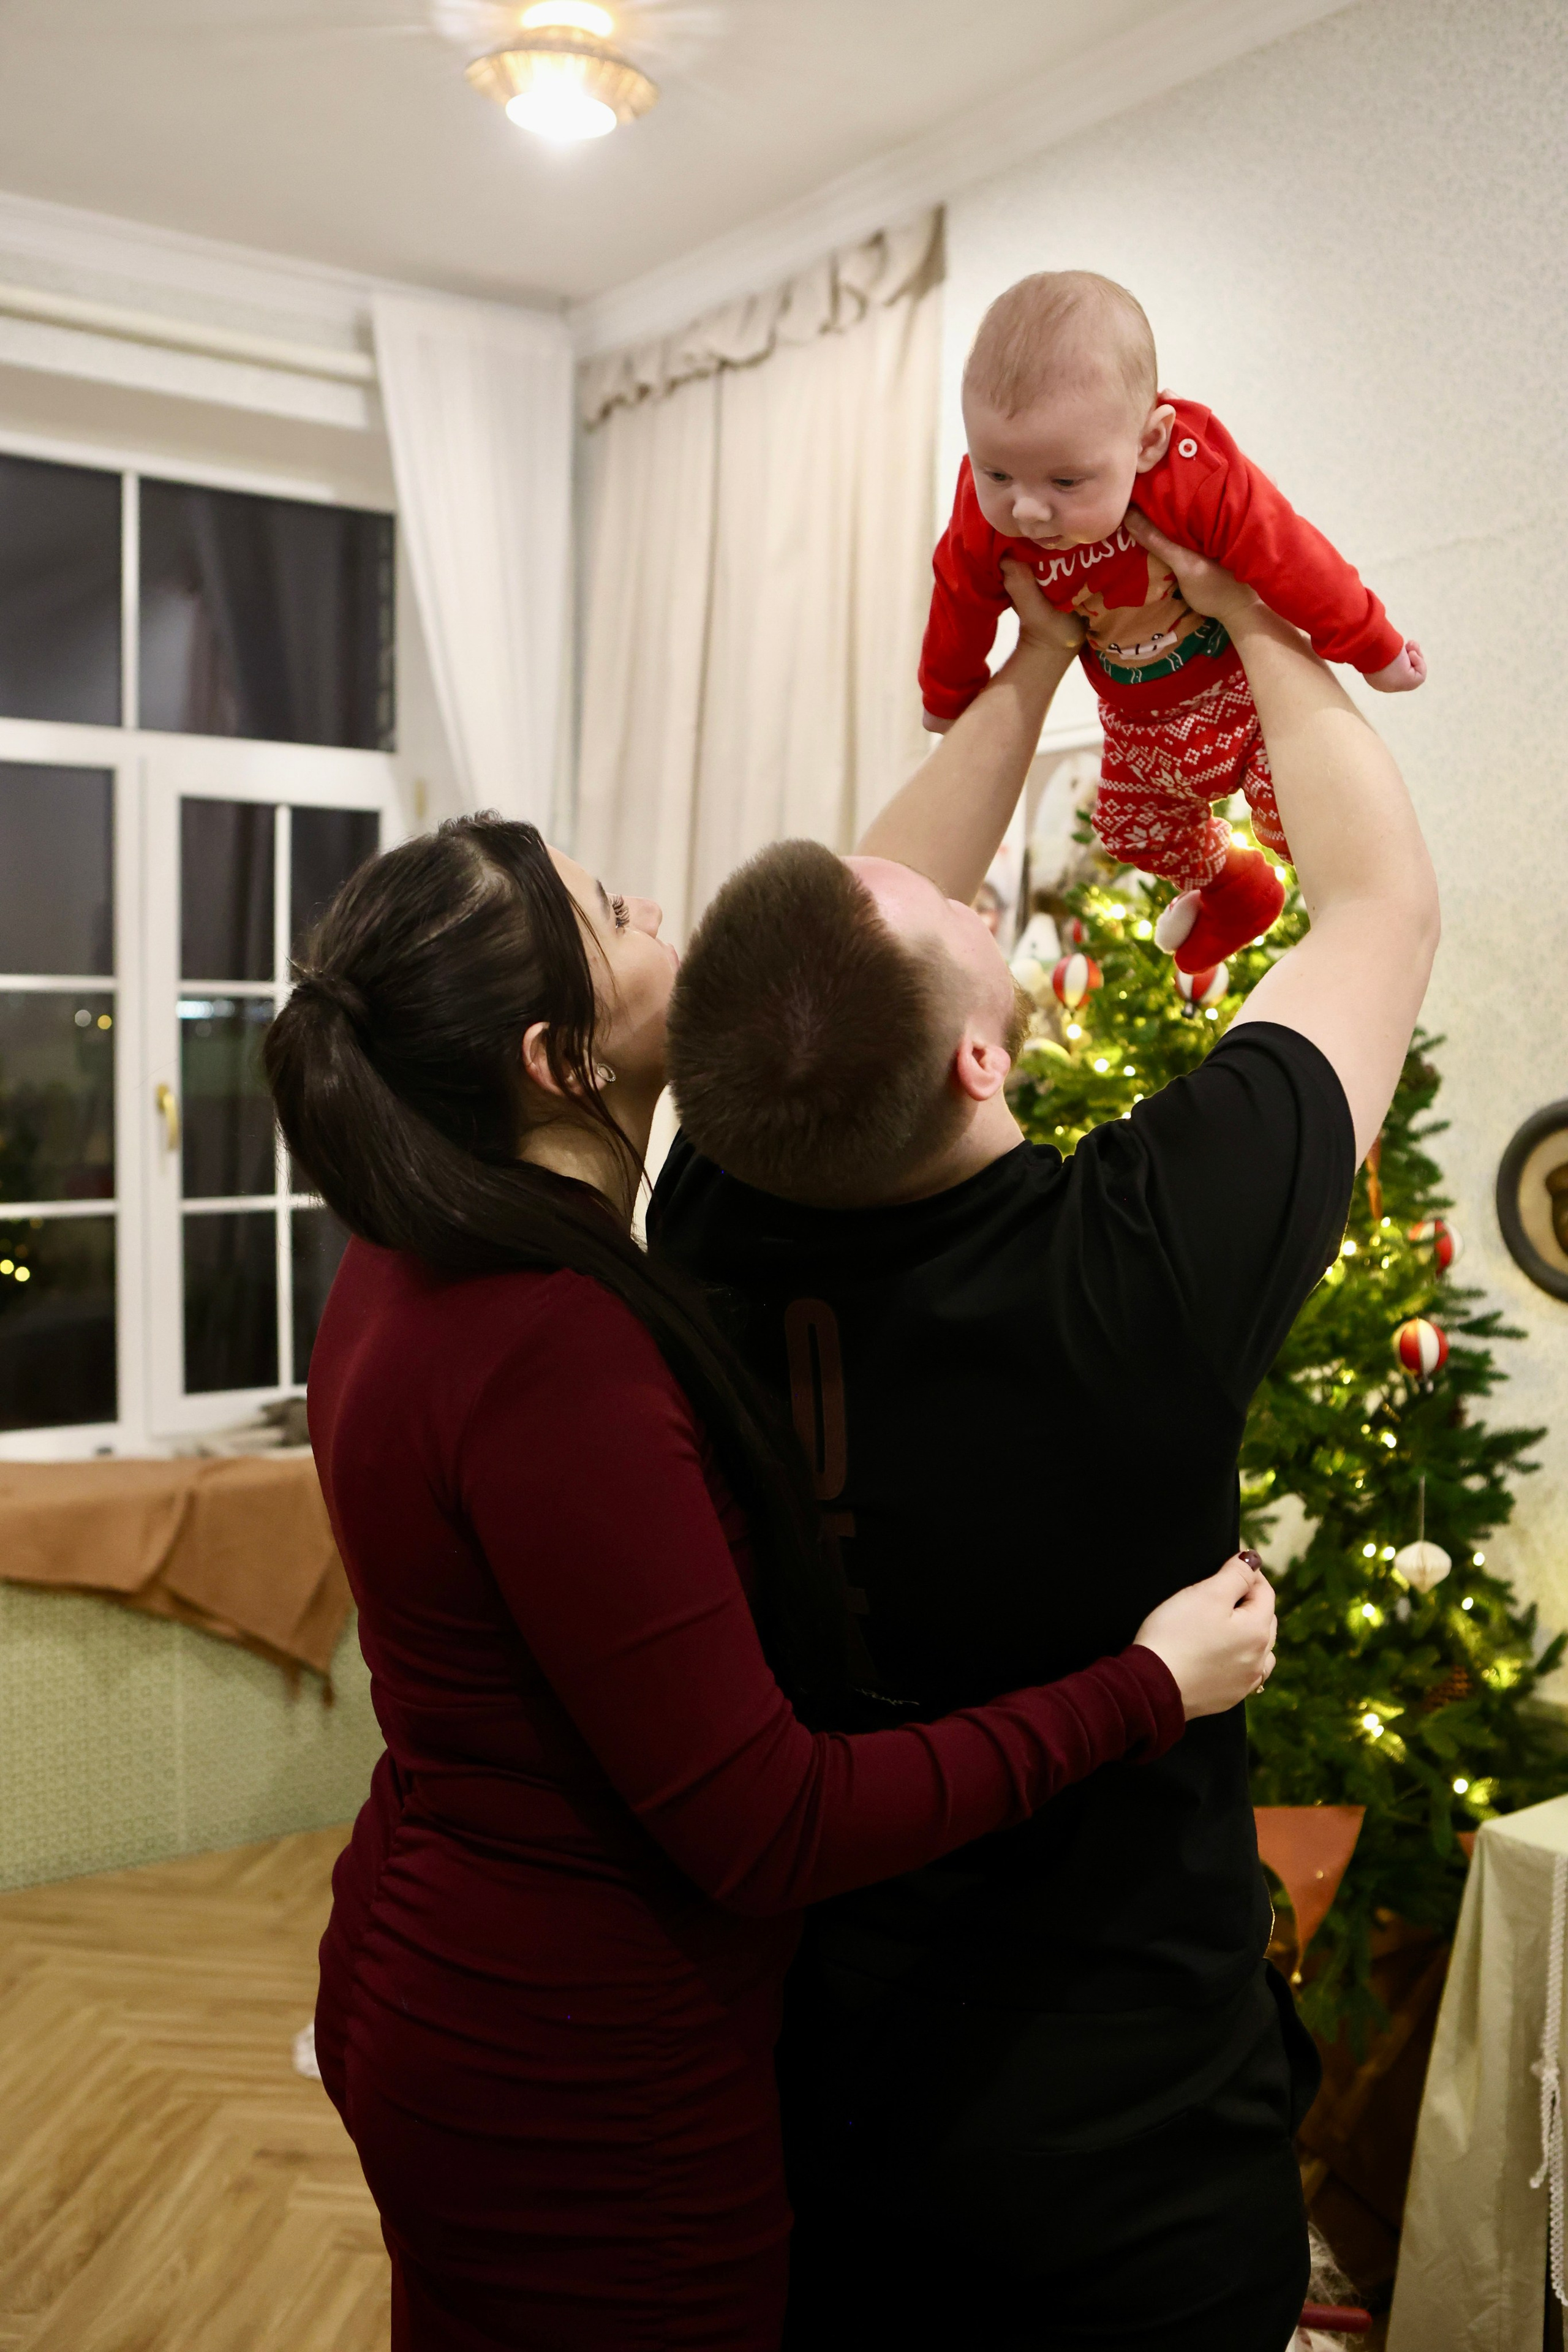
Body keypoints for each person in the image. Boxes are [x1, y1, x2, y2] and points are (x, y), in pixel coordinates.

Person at [261, 644, 1278, 2350]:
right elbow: (768, 1824)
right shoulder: (554, 1344)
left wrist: (1032, 664)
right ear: (557, 1057)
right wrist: (1145, 1690)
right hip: (575, 2071)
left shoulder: (413, 1237)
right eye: (615, 915)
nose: (667, 908)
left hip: (443, 1967)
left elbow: (864, 931)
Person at [652, 521, 1440, 2350]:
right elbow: (1380, 907)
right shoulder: (1134, 1268)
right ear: (975, 1063)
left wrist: (1024, 661)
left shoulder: (710, 1211)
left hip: (841, 2116)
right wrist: (1252, 611)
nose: (976, 898)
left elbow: (843, 929)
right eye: (960, 926)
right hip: (1134, 2164)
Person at [919, 270, 1425, 972]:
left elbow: (1286, 551)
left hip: (1242, 702)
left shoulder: (1192, 471)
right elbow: (958, 598)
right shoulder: (986, 514)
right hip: (1135, 723)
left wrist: (1373, 645)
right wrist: (947, 696)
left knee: (1303, 814)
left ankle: (1346, 945)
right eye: (996, 472)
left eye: (1066, 482)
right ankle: (1233, 890)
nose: (1027, 510)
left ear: (1149, 442)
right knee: (1127, 827)